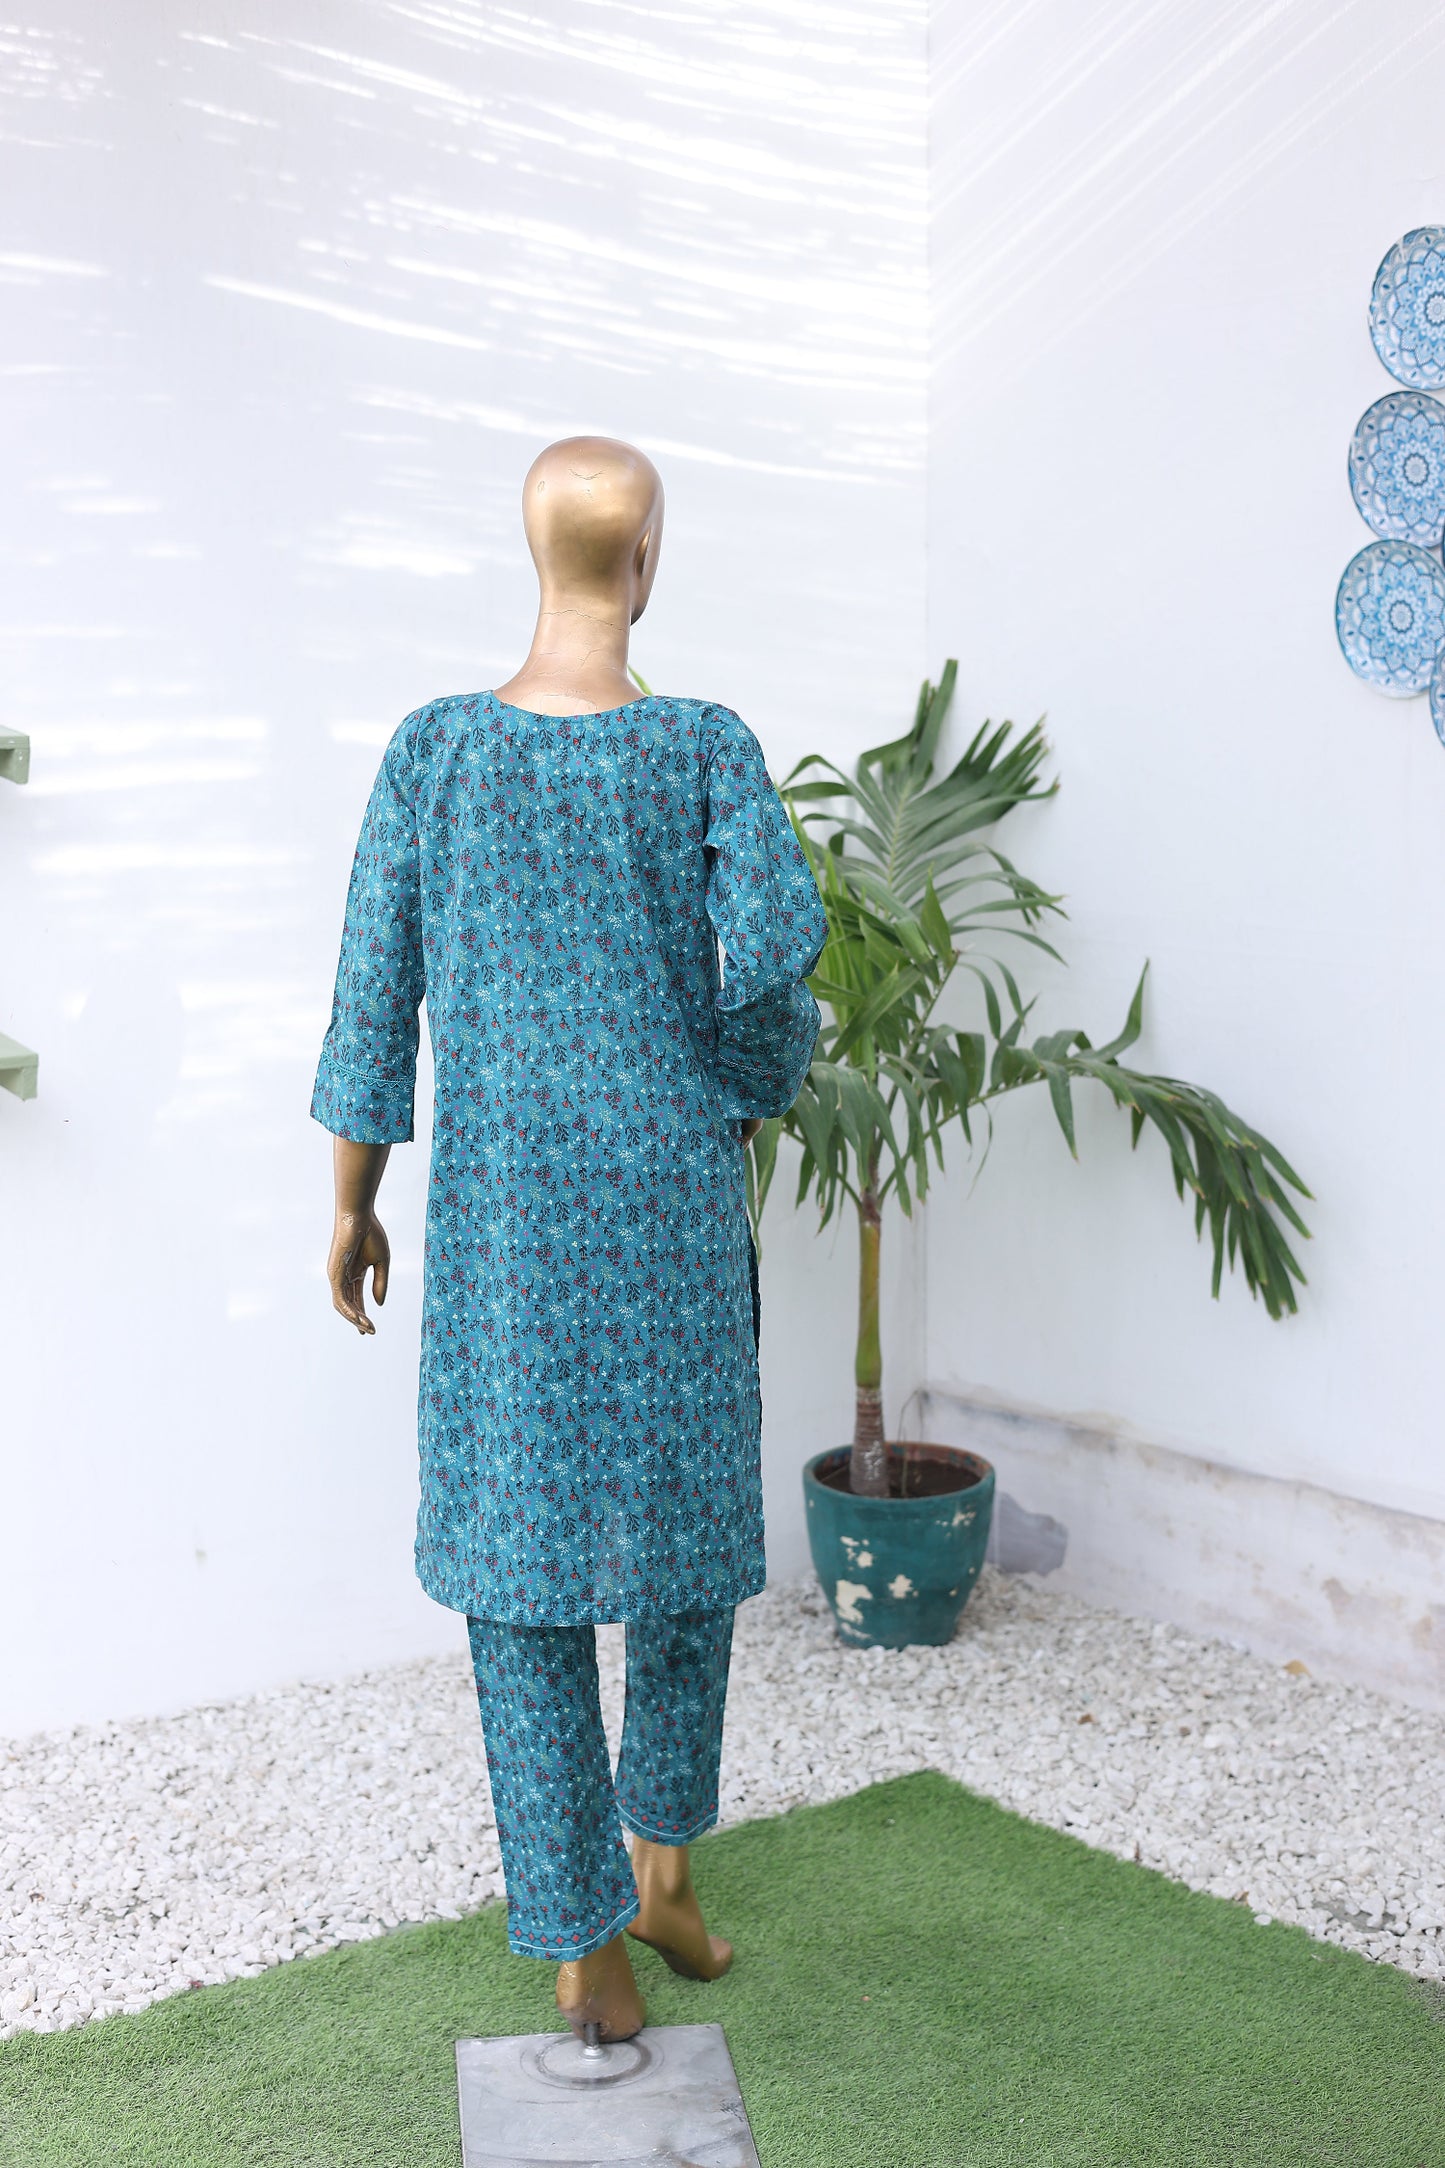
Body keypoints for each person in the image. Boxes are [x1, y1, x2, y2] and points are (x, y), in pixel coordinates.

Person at [312, 436, 828, 2042]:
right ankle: (659, 1867)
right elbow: (776, 960)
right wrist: (736, 1092)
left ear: (533, 554)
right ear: (648, 560)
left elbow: (370, 990)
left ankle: (593, 1937)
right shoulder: (698, 747)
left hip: (507, 1240)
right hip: (670, 1215)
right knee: (681, 1565)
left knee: (520, 1584)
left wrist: (352, 1196)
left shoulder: (433, 755)